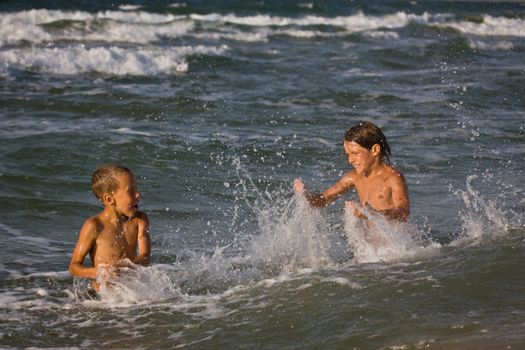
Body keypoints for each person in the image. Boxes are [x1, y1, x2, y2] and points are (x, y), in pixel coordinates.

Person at [293, 121, 409, 223]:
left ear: (375, 150)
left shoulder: (393, 177)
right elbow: (324, 199)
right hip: (373, 247)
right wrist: (306, 197)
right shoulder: (354, 177)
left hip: (398, 246)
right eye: (348, 154)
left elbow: (403, 214)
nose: (350, 160)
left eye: (355, 153)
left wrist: (368, 214)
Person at [69, 164, 151, 293]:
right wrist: (97, 272)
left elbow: (145, 257)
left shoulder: (139, 220)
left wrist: (125, 267)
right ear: (109, 199)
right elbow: (74, 267)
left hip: (131, 294)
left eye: (137, 188)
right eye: (131, 190)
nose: (138, 194)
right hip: (101, 296)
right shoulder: (95, 226)